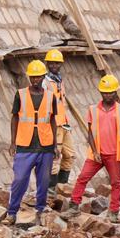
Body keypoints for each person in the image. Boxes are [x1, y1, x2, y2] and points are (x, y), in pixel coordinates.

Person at [67, 75, 120, 223]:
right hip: (96, 154)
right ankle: (73, 206)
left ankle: (114, 212)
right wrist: (95, 151)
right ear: (100, 92)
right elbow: (90, 133)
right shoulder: (93, 109)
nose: (107, 95)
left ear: (115, 92)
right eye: (104, 92)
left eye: (110, 92)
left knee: (116, 183)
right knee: (83, 177)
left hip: (114, 154)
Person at [3, 60, 58, 226]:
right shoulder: (20, 94)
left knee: (43, 181)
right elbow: (15, 118)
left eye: (38, 77)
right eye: (32, 77)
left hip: (45, 146)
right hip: (25, 145)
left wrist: (55, 145)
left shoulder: (50, 96)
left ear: (43, 77)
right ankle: (12, 212)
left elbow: (53, 120)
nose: (35, 80)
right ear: (29, 77)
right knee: (19, 179)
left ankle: (40, 210)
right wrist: (13, 142)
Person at [43, 49, 74, 197]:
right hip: (53, 125)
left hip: (64, 124)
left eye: (57, 63)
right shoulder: (45, 82)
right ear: (47, 63)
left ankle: (62, 187)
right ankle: (51, 191)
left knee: (69, 155)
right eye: (52, 63)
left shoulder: (59, 80)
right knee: (55, 158)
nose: (54, 65)